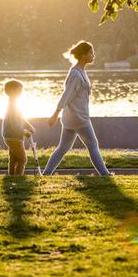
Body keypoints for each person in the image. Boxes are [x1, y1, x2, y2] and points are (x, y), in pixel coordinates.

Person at [43, 41, 111, 177]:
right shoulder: (76, 74)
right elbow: (66, 95)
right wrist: (55, 114)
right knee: (93, 145)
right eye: (91, 52)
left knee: (63, 148)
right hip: (79, 118)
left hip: (71, 118)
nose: (93, 55)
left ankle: (46, 173)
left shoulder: (81, 71)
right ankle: (105, 174)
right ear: (83, 55)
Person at [1, 79, 35, 175]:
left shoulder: (15, 103)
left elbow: (21, 119)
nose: (21, 93)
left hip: (10, 135)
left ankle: (11, 175)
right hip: (13, 136)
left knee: (14, 158)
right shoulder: (12, 105)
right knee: (22, 159)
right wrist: (23, 132)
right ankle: (18, 176)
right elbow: (14, 123)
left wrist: (28, 126)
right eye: (19, 90)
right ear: (12, 91)